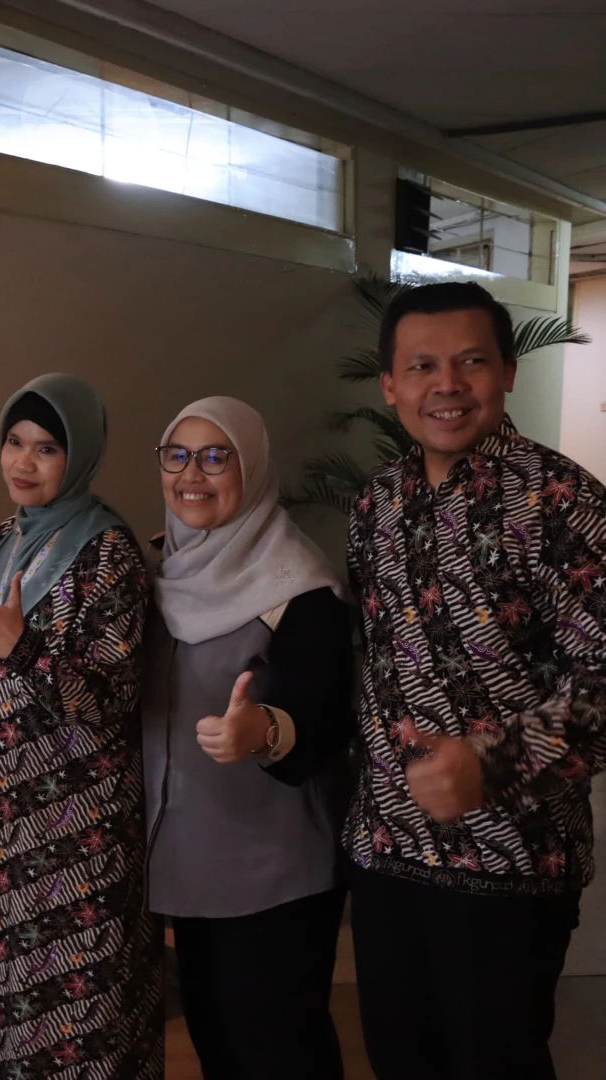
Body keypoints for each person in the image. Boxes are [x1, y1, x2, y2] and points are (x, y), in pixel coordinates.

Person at [345, 282, 606, 1079]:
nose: (447, 385)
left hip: (512, 864)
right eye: (421, 366)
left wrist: (493, 762)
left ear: (508, 372)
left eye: (471, 362)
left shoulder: (562, 501)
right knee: (400, 1059)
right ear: (390, 385)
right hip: (387, 853)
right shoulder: (374, 505)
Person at [0, 374, 163, 1080]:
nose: (23, 462)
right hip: (0, 811)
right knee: (1, 1009)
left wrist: (23, 648)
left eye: (46, 448)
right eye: (14, 442)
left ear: (80, 456)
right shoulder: (8, 536)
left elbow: (114, 697)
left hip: (76, 824)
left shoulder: (108, 550)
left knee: (76, 1019)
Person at [143, 396, 354, 1079]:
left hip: (275, 873)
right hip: (188, 863)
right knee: (218, 1045)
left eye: (216, 457)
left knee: (278, 1052)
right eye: (177, 455)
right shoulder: (156, 572)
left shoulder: (300, 586)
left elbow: (326, 720)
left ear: (253, 467)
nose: (191, 474)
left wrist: (262, 729)